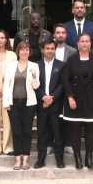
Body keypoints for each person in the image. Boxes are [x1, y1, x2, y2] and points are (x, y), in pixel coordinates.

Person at [62, 34, 93, 170]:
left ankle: (89, 157)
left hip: (92, 99)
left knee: (90, 131)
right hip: (75, 99)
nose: (85, 44)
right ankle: (77, 157)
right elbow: (65, 80)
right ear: (78, 43)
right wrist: (70, 97)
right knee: (75, 130)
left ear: (90, 44)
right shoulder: (71, 60)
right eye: (82, 41)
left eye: (87, 41)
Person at [2, 42, 40, 170]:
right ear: (18, 52)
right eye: (22, 50)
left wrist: (34, 76)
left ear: (30, 52)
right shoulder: (10, 66)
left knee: (27, 131)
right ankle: (17, 158)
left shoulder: (34, 66)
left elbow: (36, 86)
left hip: (29, 103)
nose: (24, 52)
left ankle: (26, 158)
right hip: (13, 103)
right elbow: (6, 85)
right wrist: (6, 102)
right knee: (17, 131)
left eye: (27, 50)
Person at [34, 38, 66, 169]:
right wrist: (43, 97)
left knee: (58, 132)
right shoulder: (36, 65)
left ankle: (59, 159)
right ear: (42, 50)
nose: (50, 51)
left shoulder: (61, 65)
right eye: (47, 48)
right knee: (41, 132)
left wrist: (52, 98)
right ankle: (40, 159)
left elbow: (63, 84)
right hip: (41, 104)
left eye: (52, 48)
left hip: (56, 104)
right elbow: (34, 84)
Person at [53, 23, 76, 156]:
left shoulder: (72, 51)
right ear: (54, 34)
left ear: (66, 35)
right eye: (58, 32)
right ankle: (52, 143)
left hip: (68, 89)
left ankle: (68, 144)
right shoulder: (49, 49)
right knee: (53, 118)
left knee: (68, 118)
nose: (60, 35)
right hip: (53, 88)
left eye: (63, 33)